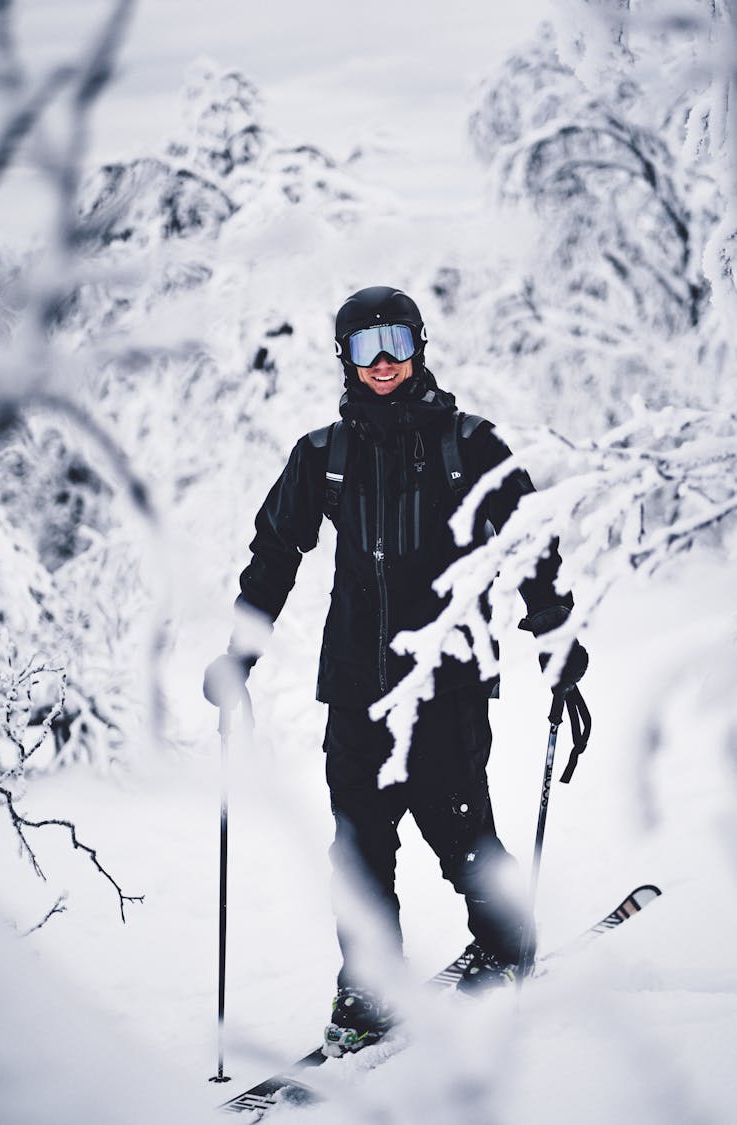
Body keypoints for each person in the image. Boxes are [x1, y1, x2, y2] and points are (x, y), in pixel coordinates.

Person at [203, 286, 588, 1056]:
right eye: (364, 344)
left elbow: (531, 550)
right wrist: (238, 653)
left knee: (460, 830)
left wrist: (558, 645)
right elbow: (275, 554)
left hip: (445, 684)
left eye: (396, 342)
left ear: (420, 346)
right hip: (353, 686)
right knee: (358, 845)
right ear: (343, 357)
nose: (382, 361)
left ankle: (508, 942)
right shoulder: (323, 457)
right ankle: (372, 987)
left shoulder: (471, 446)